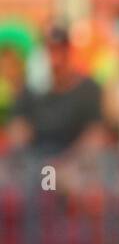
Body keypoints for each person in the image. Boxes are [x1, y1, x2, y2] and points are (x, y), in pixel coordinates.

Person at [6, 26, 109, 156]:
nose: (57, 59)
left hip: (75, 165)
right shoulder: (31, 88)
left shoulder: (88, 89)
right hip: (37, 163)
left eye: (61, 51)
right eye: (51, 51)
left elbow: (96, 135)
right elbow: (17, 129)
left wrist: (67, 162)